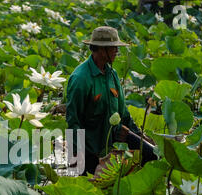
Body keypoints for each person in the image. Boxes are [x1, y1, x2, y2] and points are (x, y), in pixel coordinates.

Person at [65, 26, 156, 176]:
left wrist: (140, 135)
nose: (116, 52)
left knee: (152, 154)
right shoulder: (81, 79)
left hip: (115, 139)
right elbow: (73, 122)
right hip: (90, 148)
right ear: (102, 50)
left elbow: (123, 113)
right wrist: (77, 162)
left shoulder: (112, 74)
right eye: (114, 48)